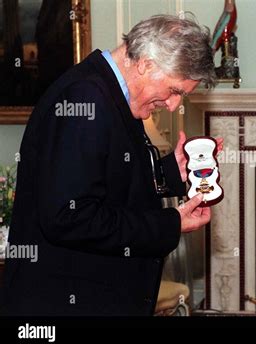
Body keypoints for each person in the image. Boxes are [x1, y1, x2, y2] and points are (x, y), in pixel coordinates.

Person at [2, 15, 219, 316]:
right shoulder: (85, 100)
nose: (173, 105)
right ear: (146, 64)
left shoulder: (113, 94)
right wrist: (170, 224)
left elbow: (108, 177)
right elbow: (69, 217)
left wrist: (169, 172)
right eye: (174, 91)